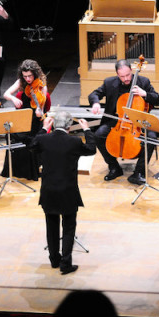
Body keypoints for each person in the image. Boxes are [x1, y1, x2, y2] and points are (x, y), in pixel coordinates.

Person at [29, 112, 96, 274]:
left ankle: (54, 260)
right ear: (69, 126)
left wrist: (44, 128)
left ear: (53, 124)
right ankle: (66, 263)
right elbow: (91, 149)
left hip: (49, 190)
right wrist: (87, 130)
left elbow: (32, 146)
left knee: (51, 226)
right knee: (69, 227)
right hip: (68, 191)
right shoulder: (74, 141)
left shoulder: (43, 139)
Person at [89, 59, 159, 185]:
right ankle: (114, 167)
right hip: (116, 121)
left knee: (151, 138)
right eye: (122, 76)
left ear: (132, 71)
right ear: (117, 74)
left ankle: (139, 172)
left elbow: (158, 100)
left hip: (138, 123)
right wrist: (95, 103)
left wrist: (145, 94)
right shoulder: (109, 82)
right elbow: (94, 94)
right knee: (98, 135)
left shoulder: (143, 82)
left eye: (128, 75)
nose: (126, 78)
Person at [0, 59, 48, 181]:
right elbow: (6, 93)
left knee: (30, 138)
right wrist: (12, 98)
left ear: (35, 74)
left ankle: (30, 171)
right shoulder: (20, 82)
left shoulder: (42, 85)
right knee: (11, 135)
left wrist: (39, 111)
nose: (27, 79)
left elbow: (41, 109)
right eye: (25, 76)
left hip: (34, 120)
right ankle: (14, 169)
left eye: (30, 76)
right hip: (21, 117)